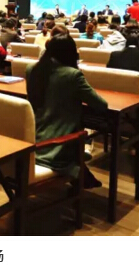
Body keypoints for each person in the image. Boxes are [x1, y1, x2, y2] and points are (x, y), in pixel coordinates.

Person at [27, 34, 107, 188]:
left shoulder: (32, 69)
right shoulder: (72, 75)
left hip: (33, 140)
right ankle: (81, 176)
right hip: (57, 150)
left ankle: (85, 178)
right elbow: (101, 105)